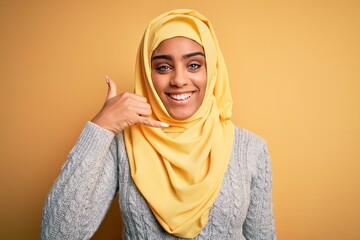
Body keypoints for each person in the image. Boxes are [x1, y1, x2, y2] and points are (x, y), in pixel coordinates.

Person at [40, 9, 276, 240]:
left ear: (212, 70)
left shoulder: (251, 149)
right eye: (163, 67)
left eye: (193, 65)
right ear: (146, 74)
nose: (179, 80)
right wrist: (101, 127)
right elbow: (56, 235)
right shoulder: (124, 146)